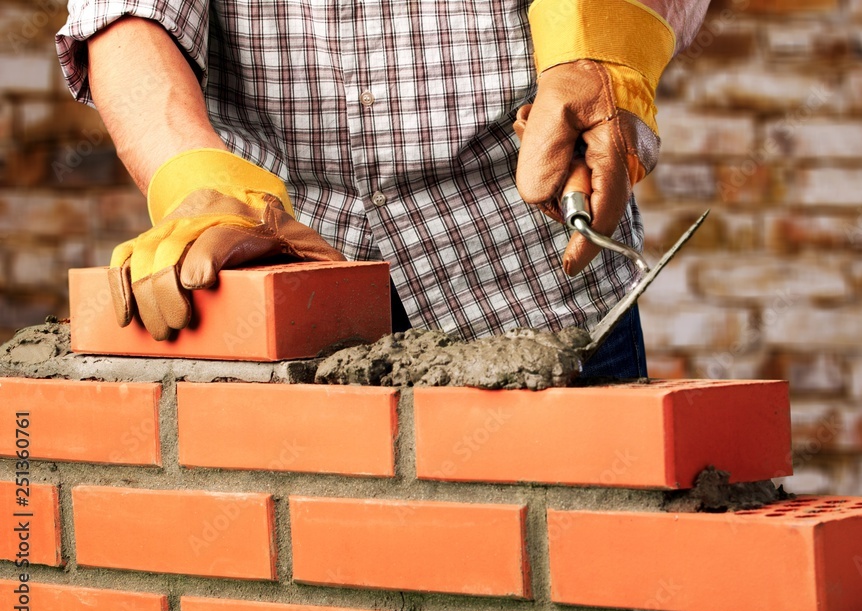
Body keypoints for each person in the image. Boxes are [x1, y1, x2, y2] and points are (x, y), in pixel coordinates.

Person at [56, 0, 710, 378]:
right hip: (275, 273)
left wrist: (605, 53)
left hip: (531, 275)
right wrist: (193, 174)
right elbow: (124, 11)